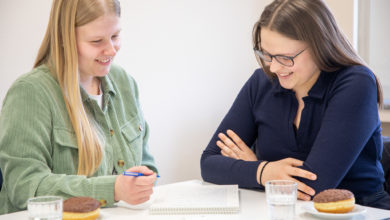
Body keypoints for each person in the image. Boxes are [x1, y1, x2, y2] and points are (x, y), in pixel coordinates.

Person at [201, 0, 390, 210]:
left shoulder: (356, 83)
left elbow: (313, 188)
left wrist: (250, 168)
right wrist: (263, 171)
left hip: (359, 211)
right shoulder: (262, 81)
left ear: (319, 45)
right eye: (266, 54)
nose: (273, 67)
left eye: (285, 57)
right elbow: (209, 163)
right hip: (280, 209)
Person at [0, 0, 158, 214]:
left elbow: (148, 166)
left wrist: (143, 182)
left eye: (115, 36)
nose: (111, 50)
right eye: (96, 41)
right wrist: (112, 189)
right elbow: (24, 186)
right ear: (65, 39)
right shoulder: (30, 93)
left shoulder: (124, 83)